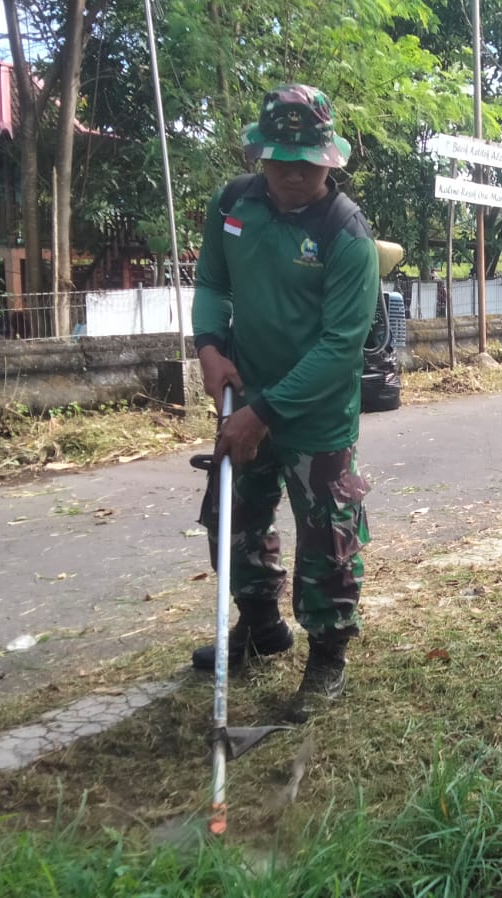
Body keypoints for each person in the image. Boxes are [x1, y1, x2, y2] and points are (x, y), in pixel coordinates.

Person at [190, 83, 379, 723]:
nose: (293, 175)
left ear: (329, 161)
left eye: (306, 163)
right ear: (258, 158)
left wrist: (264, 412)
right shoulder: (234, 206)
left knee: (328, 538)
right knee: (233, 517)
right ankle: (259, 622)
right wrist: (210, 347)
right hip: (244, 398)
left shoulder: (345, 234)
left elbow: (340, 347)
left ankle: (327, 654)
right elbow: (213, 282)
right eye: (279, 161)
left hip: (314, 414)